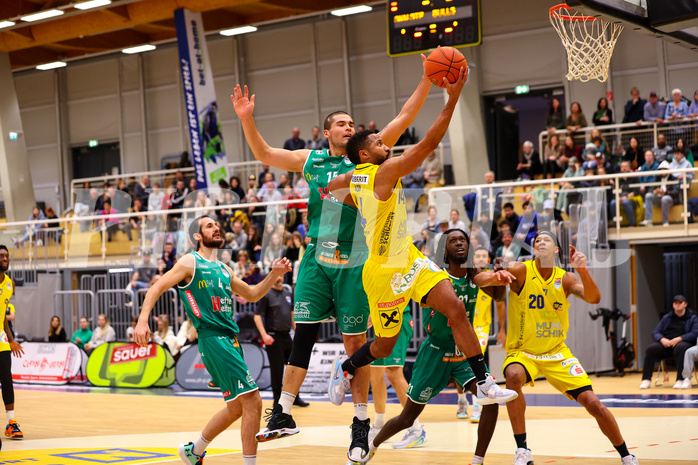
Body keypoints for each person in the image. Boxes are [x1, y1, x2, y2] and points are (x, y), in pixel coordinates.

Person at [231, 53, 436, 450]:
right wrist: (246, 118)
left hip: (355, 260)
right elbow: (265, 155)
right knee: (302, 331)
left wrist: (428, 79)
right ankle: (283, 412)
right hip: (316, 258)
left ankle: (360, 428)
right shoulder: (312, 160)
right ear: (326, 133)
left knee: (355, 345)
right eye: (341, 123)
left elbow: (405, 116)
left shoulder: (367, 155)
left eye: (353, 125)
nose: (349, 128)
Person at [327, 66, 517, 463]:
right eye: (380, 142)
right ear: (367, 154)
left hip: (410, 260)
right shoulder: (382, 172)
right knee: (383, 346)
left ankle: (482, 381)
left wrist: (334, 185)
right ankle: (346, 366)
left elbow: (342, 179)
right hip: (381, 273)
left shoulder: (358, 172)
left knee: (455, 307)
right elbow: (428, 144)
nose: (386, 143)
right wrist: (452, 98)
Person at [134, 215, 291, 465]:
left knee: (237, 408)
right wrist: (142, 321)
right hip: (213, 337)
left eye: (217, 224)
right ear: (197, 236)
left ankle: (194, 450)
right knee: (253, 400)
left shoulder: (224, 269)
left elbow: (251, 294)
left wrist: (273, 274)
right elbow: (156, 288)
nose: (216, 227)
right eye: (209, 226)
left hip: (231, 340)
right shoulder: (190, 262)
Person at [367, 229, 513, 465]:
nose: (459, 243)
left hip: (464, 353)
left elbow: (494, 290)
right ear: (444, 251)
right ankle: (370, 447)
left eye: (462, 240)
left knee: (491, 401)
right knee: (407, 417)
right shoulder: (434, 276)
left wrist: (498, 277)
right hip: (434, 352)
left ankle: (477, 460)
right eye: (453, 240)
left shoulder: (473, 275)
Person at [498, 232, 639, 465]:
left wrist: (582, 270)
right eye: (536, 241)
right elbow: (489, 279)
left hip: (556, 352)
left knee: (593, 403)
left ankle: (626, 455)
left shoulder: (566, 278)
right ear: (533, 250)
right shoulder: (521, 270)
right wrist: (494, 274)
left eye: (546, 240)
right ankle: (522, 450)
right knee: (513, 376)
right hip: (524, 352)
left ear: (557, 250)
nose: (540, 243)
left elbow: (594, 298)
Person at [368, 304, 421, 449]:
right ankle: (379, 425)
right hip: (381, 320)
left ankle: (417, 429)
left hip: (395, 317)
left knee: (393, 373)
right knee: (375, 372)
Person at [253, 274, 299, 407]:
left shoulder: (288, 292)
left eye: (281, 276)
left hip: (287, 336)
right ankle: (277, 401)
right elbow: (257, 317)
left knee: (294, 368)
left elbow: (291, 315)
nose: (279, 278)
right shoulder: (267, 295)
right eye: (277, 276)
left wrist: (297, 332)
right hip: (273, 337)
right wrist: (264, 335)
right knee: (277, 371)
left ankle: (295, 398)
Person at [639, 295, 697, 390]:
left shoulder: (692, 318)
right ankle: (646, 379)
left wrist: (680, 338)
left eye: (680, 303)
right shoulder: (667, 318)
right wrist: (662, 339)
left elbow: (695, 333)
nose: (677, 305)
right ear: (673, 305)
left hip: (684, 343)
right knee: (651, 349)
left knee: (681, 348)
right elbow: (656, 332)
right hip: (667, 344)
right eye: (675, 303)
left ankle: (680, 379)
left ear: (685, 304)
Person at [0, 245, 25, 440]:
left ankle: (11, 422)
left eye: (7, 256)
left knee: (6, 378)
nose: (5, 258)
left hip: (1, 338)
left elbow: (3, 319)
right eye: (1, 256)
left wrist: (12, 339)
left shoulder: (10, 284)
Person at [640, 161, 679, 227]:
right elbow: (650, 189)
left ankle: (665, 222)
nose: (663, 172)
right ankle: (648, 220)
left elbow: (676, 192)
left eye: (664, 170)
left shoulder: (673, 179)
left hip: (670, 198)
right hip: (658, 198)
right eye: (661, 170)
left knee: (665, 198)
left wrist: (665, 192)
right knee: (648, 195)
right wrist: (654, 191)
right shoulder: (656, 179)